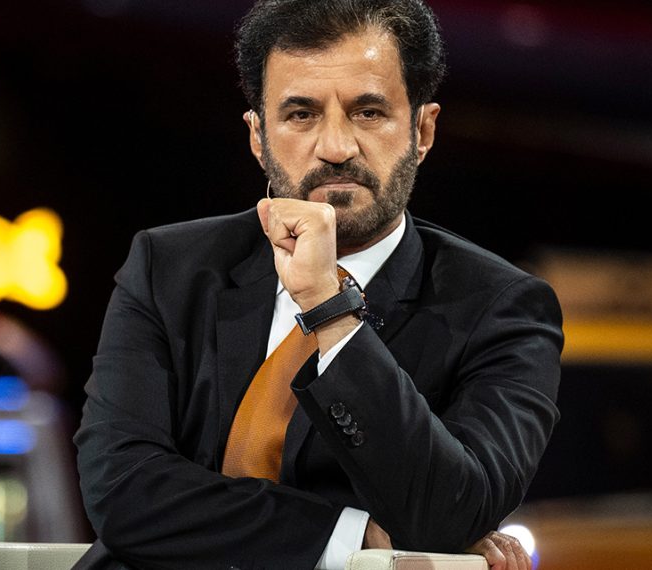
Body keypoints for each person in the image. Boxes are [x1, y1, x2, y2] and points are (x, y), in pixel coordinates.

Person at [73, 1, 562, 568]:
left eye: (368, 113)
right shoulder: (169, 268)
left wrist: (330, 309)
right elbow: (122, 489)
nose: (335, 147)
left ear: (422, 131)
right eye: (301, 114)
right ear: (258, 136)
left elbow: (453, 512)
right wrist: (350, 536)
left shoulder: (503, 310)